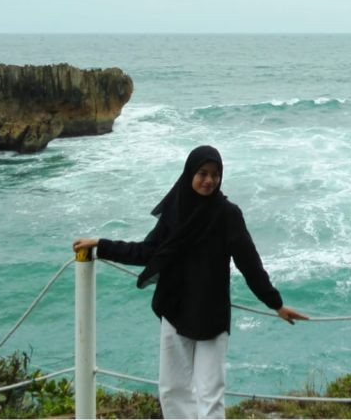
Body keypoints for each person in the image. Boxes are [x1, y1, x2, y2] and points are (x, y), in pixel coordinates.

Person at [73, 145, 307, 419]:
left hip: (211, 317)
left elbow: (250, 265)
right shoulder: (176, 210)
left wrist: (276, 304)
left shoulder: (227, 215)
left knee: (210, 395)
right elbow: (147, 251)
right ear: (189, 174)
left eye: (215, 174)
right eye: (202, 173)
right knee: (172, 391)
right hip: (175, 309)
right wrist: (102, 245)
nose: (209, 180)